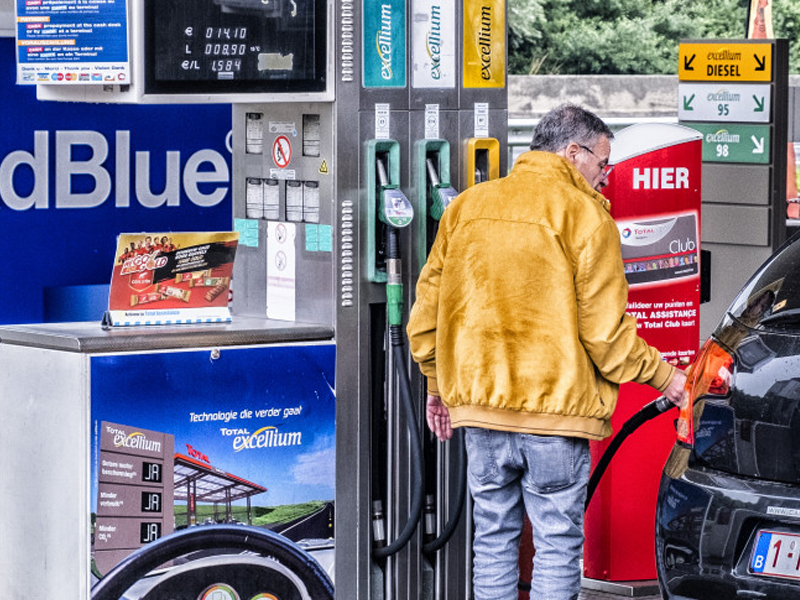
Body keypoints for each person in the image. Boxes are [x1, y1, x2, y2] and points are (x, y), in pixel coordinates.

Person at [406, 104, 687, 600]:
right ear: (572, 153)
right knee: (557, 545)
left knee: (493, 538)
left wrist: (436, 385)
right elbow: (606, 336)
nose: (605, 178)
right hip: (556, 418)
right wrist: (668, 379)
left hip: (482, 412)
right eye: (603, 164)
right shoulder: (585, 217)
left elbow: (425, 317)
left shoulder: (466, 207)